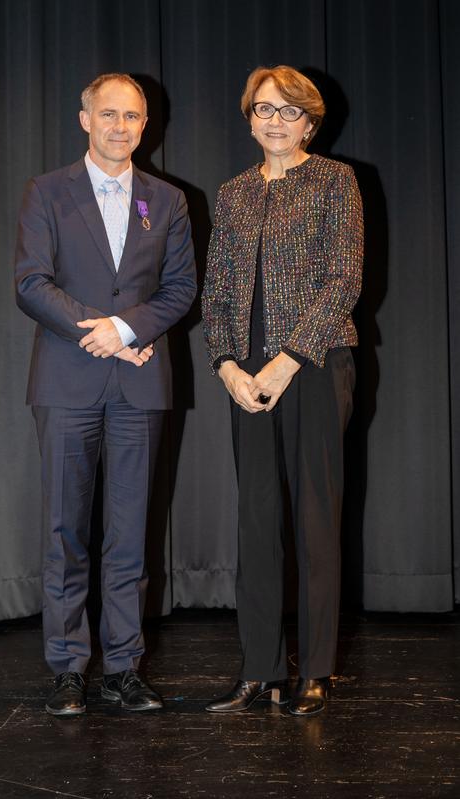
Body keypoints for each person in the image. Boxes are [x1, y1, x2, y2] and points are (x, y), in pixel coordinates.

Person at [15, 73, 196, 716]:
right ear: (85, 118)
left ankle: (123, 667)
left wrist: (127, 330)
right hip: (66, 382)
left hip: (140, 385)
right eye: (109, 115)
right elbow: (31, 284)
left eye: (134, 117)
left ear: (146, 125)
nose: (122, 127)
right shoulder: (47, 192)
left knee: (129, 534)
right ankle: (68, 669)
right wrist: (105, 332)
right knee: (66, 531)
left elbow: (179, 290)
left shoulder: (167, 200)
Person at [201, 65, 363, 715]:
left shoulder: (334, 181)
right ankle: (259, 669)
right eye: (263, 109)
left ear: (309, 122)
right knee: (256, 520)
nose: (274, 120)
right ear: (248, 117)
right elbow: (216, 289)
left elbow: (342, 277)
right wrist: (226, 365)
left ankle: (315, 669)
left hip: (316, 367)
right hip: (245, 377)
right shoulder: (233, 191)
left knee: (315, 517)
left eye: (288, 111)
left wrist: (288, 359)